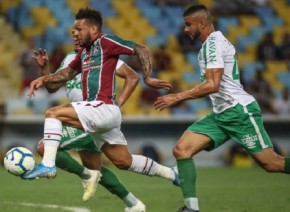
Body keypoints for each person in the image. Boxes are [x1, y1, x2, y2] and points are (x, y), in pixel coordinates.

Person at [22, 7, 179, 193]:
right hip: (97, 112)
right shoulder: (83, 53)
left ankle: (48, 164)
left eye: (79, 29)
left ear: (94, 29)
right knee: (123, 161)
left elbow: (141, 49)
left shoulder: (106, 42)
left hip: (102, 108)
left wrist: (148, 77)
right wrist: (43, 77)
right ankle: (172, 174)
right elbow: (67, 73)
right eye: (73, 29)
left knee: (53, 113)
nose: (74, 32)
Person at [153, 4, 290, 212]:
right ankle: (192, 208)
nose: (185, 29)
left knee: (271, 164)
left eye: (188, 25)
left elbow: (212, 85)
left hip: (239, 111)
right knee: (182, 150)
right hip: (221, 114)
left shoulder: (214, 44)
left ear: (202, 23)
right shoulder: (209, 44)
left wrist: (177, 97)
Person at [32, 33, 145, 210]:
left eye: (79, 33)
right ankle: (134, 203)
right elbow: (52, 87)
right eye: (73, 34)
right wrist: (45, 69)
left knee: (44, 147)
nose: (76, 38)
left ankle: (83, 175)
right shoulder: (70, 59)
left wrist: (118, 104)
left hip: (92, 115)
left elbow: (132, 76)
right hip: (79, 116)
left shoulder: (100, 54)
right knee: (96, 168)